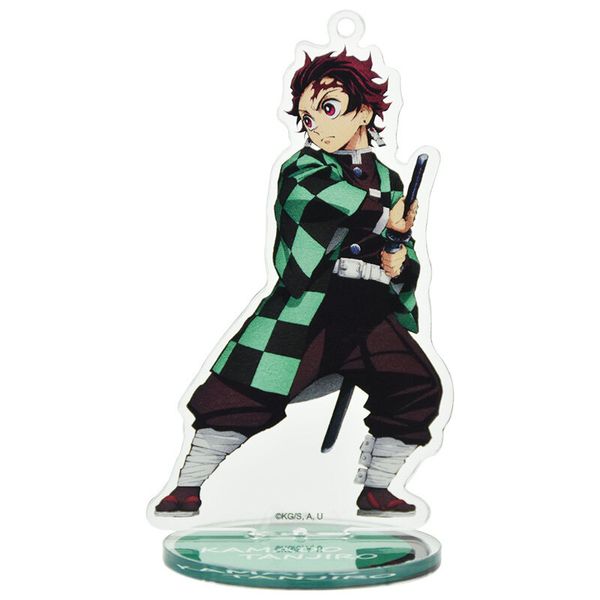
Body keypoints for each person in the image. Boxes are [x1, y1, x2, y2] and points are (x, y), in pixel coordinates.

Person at [154, 49, 442, 518]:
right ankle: (187, 485)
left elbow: (400, 249)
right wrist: (383, 218)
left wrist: (398, 260)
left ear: (364, 111)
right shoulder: (304, 169)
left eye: (328, 108)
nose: (316, 127)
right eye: (308, 117)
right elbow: (316, 202)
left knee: (415, 387)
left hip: (368, 310)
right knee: (245, 392)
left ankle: (377, 488)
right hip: (313, 307)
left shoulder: (390, 180)